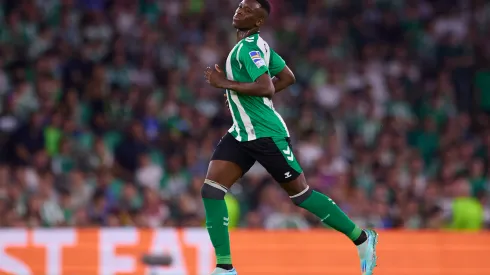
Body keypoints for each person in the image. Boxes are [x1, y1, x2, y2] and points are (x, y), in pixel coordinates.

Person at [202, 0, 378, 274]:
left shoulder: (249, 49)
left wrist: (225, 84)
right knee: (212, 190)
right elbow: (287, 77)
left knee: (301, 195)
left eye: (249, 11)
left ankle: (362, 239)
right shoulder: (258, 46)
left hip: (264, 134)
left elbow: (266, 87)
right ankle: (225, 268)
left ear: (259, 22)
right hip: (241, 132)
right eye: (240, 6)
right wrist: (241, 95)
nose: (240, 11)